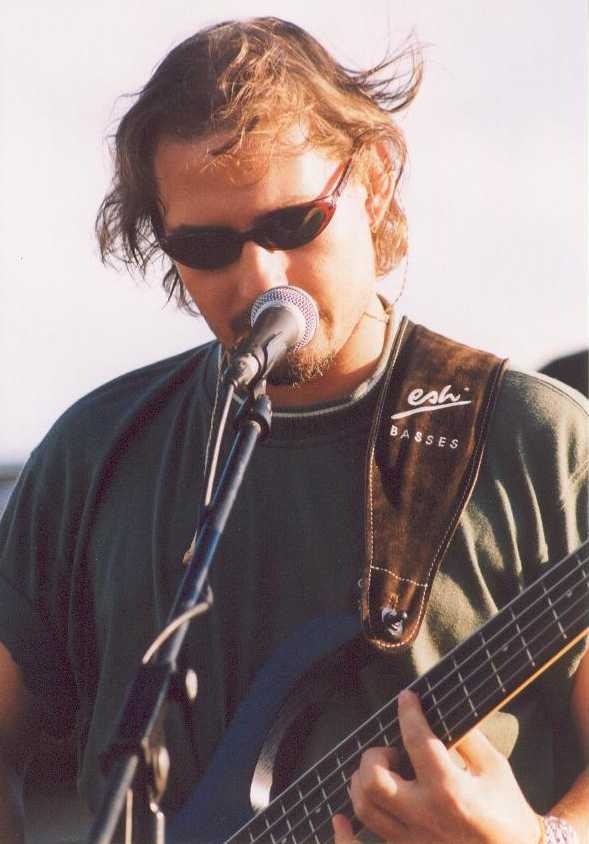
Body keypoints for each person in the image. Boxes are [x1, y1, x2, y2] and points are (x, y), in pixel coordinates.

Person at [0, 16, 587, 844]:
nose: (259, 279)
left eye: (293, 223)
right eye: (206, 246)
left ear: (372, 180)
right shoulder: (93, 453)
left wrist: (538, 840)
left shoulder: (537, 439)